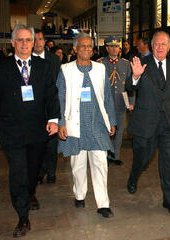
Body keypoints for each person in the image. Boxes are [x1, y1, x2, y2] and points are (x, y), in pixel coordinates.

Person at [0, 24, 60, 238]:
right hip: (11, 132)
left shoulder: (43, 66)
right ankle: (22, 216)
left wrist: (54, 119)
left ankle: (30, 193)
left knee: (33, 171)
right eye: (21, 40)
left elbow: (51, 95)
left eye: (29, 40)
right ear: (12, 43)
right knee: (18, 173)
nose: (25, 44)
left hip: (38, 131)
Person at [57, 33, 117, 218]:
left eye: (90, 46)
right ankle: (80, 194)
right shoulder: (65, 70)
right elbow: (59, 98)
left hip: (97, 124)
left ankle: (103, 203)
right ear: (75, 49)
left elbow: (107, 97)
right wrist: (61, 123)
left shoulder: (100, 69)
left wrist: (112, 121)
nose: (87, 49)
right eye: (83, 46)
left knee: (100, 163)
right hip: (75, 124)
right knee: (78, 164)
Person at [126, 31, 170, 216]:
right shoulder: (142, 64)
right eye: (156, 44)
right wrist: (135, 77)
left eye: (163, 44)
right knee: (142, 157)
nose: (160, 47)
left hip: (167, 123)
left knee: (169, 162)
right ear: (151, 46)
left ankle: (169, 199)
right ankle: (133, 177)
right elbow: (130, 87)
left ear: (169, 46)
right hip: (146, 122)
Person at [98, 35, 134, 166]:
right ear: (107, 48)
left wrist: (131, 102)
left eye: (116, 46)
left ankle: (115, 155)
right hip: (105, 103)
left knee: (119, 131)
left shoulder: (125, 64)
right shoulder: (100, 63)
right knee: (105, 129)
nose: (114, 49)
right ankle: (105, 154)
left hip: (120, 102)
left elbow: (130, 84)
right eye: (111, 46)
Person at [33, 29, 61, 184]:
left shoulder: (54, 60)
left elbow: (59, 83)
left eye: (40, 39)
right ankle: (39, 172)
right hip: (34, 110)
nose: (38, 42)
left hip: (52, 107)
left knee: (51, 145)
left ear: (45, 41)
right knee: (38, 144)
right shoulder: (27, 59)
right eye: (35, 39)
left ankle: (51, 172)